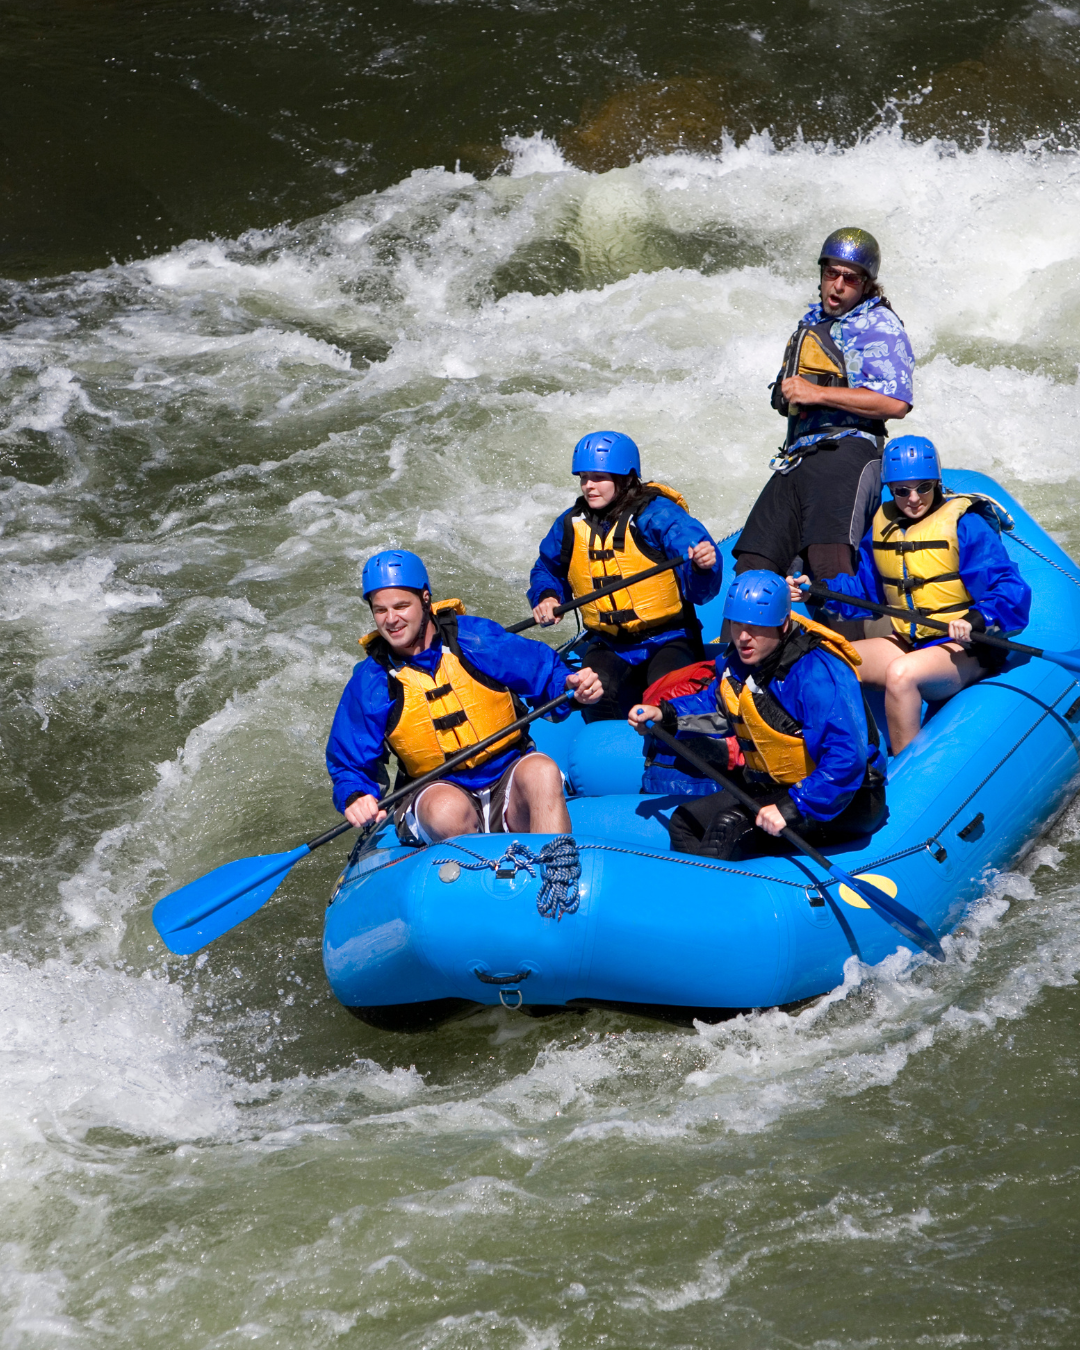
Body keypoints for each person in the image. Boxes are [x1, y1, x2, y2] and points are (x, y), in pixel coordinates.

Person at [326, 549, 603, 844]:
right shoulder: (371, 680)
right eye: (380, 610)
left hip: (506, 774)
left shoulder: (474, 639)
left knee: (543, 771)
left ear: (425, 598)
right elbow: (349, 761)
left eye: (401, 606)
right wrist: (356, 795)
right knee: (447, 810)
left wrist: (571, 687)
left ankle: (557, 872)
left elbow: (544, 674)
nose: (391, 619)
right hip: (435, 789)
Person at [787, 435, 1032, 755]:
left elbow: (1009, 587)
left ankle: (906, 774)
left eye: (924, 487)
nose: (914, 498)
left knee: (901, 675)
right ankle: (843, 758)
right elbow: (865, 590)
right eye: (902, 490)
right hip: (910, 640)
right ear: (890, 488)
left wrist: (975, 619)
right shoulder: (882, 527)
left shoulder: (965, 525)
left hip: (967, 647)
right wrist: (815, 593)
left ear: (937, 483)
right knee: (829, 661)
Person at [628, 570, 887, 860]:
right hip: (773, 786)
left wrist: (793, 806)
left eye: (756, 627)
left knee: (728, 828)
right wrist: (665, 713)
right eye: (737, 624)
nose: (743, 637)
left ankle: (715, 897)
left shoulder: (817, 675)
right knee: (684, 823)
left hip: (845, 798)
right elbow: (718, 708)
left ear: (783, 624)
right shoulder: (737, 665)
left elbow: (846, 757)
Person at [734, 227, 915, 595]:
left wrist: (817, 393)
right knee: (753, 563)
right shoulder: (812, 324)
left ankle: (852, 650)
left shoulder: (878, 324)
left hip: (847, 451)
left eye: (850, 278)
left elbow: (896, 403)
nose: (838, 285)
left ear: (865, 285)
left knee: (827, 560)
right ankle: (738, 652)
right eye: (831, 273)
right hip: (798, 457)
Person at [528, 430, 722, 721]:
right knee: (595, 696)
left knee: (669, 697)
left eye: (598, 477)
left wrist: (702, 565)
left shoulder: (657, 516)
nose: (588, 486)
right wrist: (547, 596)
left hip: (668, 638)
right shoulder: (570, 524)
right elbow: (546, 568)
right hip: (610, 644)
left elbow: (701, 589)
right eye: (583, 477)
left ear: (626, 477)